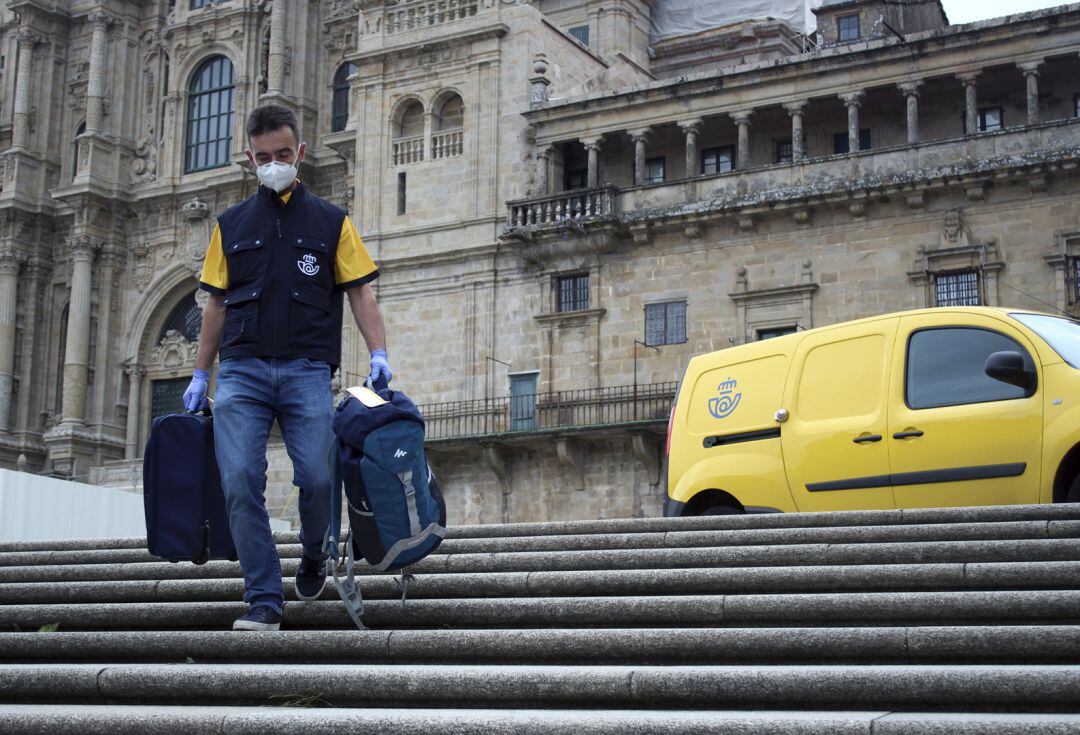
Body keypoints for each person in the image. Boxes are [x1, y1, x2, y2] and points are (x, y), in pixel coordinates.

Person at [184, 104, 391, 632]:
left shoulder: (332, 221)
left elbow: (361, 292)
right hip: (242, 372)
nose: (274, 163)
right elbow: (215, 305)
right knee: (239, 481)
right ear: (248, 159)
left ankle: (315, 555)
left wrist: (379, 354)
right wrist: (200, 374)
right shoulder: (229, 226)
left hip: (306, 371)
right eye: (264, 157)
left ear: (299, 153)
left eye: (283, 154)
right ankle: (263, 600)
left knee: (319, 479)